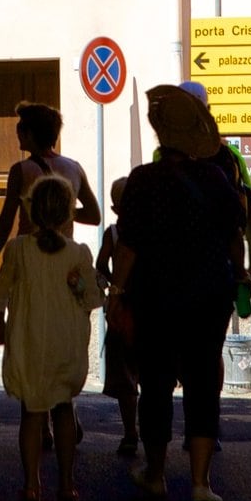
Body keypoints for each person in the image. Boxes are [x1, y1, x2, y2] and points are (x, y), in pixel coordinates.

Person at [112, 85, 246, 501]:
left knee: (155, 382)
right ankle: (201, 483)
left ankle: (155, 474)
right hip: (208, 295)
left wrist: (117, 292)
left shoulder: (143, 179)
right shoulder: (216, 178)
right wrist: (240, 273)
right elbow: (235, 233)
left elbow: (127, 245)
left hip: (155, 296)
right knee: (203, 381)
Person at [0, 174, 102, 501]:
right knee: (64, 408)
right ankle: (66, 486)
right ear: (68, 213)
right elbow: (91, 299)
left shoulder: (18, 249)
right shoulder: (78, 253)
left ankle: (31, 487)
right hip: (65, 342)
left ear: (32, 210)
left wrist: (1, 330)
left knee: (31, 414)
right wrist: (77, 287)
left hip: (29, 342)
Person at [0, 102, 103, 293]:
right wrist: (62, 212)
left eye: (20, 129)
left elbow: (5, 221)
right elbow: (94, 216)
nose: (17, 134)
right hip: (64, 258)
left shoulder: (21, 171)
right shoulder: (74, 168)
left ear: (29, 134)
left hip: (29, 258)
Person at [177, 81, 251, 304]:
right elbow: (246, 216)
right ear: (207, 112)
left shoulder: (160, 161)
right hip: (217, 272)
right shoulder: (231, 157)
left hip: (174, 276)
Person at [93, 175, 139, 457]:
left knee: (124, 378)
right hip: (145, 307)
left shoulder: (112, 233)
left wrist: (113, 285)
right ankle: (141, 432)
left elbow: (100, 265)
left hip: (121, 308)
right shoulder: (150, 229)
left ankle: (131, 432)